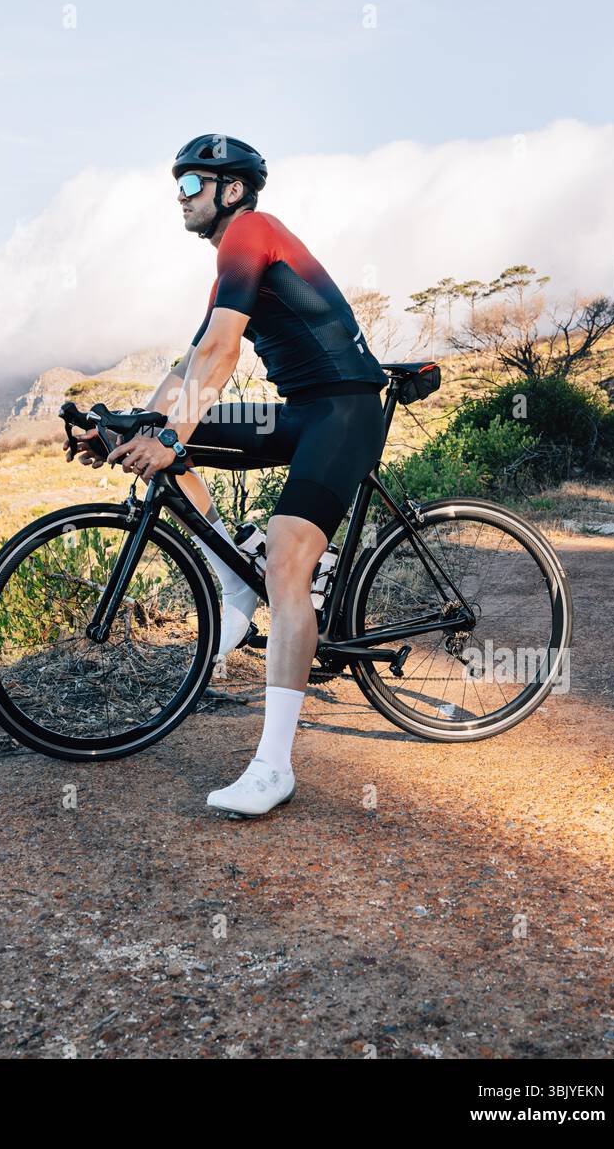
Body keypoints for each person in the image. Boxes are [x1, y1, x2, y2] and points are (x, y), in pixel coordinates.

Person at [70, 134, 388, 817]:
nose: (179, 196)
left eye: (190, 183)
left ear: (231, 189)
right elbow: (186, 369)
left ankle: (273, 767)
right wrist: (123, 428)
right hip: (301, 412)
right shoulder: (228, 263)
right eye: (177, 184)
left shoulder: (251, 231)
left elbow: (220, 354)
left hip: (345, 412)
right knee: (152, 433)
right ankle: (230, 578)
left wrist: (171, 432)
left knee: (286, 565)